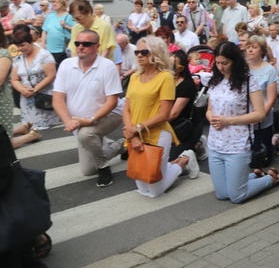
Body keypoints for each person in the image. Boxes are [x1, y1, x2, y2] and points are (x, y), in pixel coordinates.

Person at [204, 41, 279, 202]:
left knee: (236, 196)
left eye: (225, 63)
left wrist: (229, 120)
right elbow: (209, 109)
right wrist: (210, 117)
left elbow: (260, 114)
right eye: (218, 63)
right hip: (215, 143)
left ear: (234, 61)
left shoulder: (248, 81)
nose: (220, 67)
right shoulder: (215, 81)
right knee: (222, 194)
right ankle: (251, 176)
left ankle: (271, 179)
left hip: (237, 144)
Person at [122, 36, 199, 197]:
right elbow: (126, 109)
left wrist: (136, 130)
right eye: (137, 52)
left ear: (156, 54)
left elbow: (164, 114)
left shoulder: (165, 77)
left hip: (157, 134)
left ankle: (184, 160)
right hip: (135, 133)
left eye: (144, 52)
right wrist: (132, 134)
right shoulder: (135, 76)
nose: (139, 55)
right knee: (143, 188)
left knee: (155, 191)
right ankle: (175, 163)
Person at [52, 29, 124, 187]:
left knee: (85, 134)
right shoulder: (66, 65)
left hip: (109, 115)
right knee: (87, 170)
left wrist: (91, 120)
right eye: (77, 43)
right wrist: (68, 121)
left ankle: (104, 167)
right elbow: (57, 98)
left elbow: (112, 101)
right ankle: (122, 146)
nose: (80, 47)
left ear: (97, 46)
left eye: (86, 44)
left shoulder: (107, 66)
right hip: (79, 121)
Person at [10, 27, 60, 130]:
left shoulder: (44, 55)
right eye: (18, 46)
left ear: (30, 42)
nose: (20, 49)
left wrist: (35, 89)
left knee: (46, 128)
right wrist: (22, 90)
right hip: (26, 98)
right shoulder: (19, 58)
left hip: (43, 95)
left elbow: (51, 75)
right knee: (29, 126)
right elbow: (14, 79)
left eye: (23, 45)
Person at [245, 34, 279, 167]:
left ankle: (275, 140)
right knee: (249, 159)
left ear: (262, 51)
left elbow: (271, 98)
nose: (250, 50)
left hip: (263, 117)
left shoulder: (270, 70)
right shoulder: (242, 68)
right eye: (248, 47)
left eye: (254, 47)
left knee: (263, 159)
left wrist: (259, 116)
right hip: (245, 116)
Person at [167, 50, 206, 161]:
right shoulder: (163, 80)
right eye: (167, 65)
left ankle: (199, 143)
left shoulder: (187, 84)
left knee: (171, 161)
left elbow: (174, 114)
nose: (169, 68)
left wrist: (155, 125)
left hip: (186, 127)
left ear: (182, 68)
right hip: (168, 125)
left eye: (173, 66)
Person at [41, 0, 75, 67]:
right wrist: (43, 46)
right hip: (50, 50)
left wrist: (66, 26)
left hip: (63, 50)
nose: (54, 4)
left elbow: (76, 30)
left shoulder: (68, 16)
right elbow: (44, 32)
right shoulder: (50, 16)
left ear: (62, 4)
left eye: (57, 2)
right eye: (53, 2)